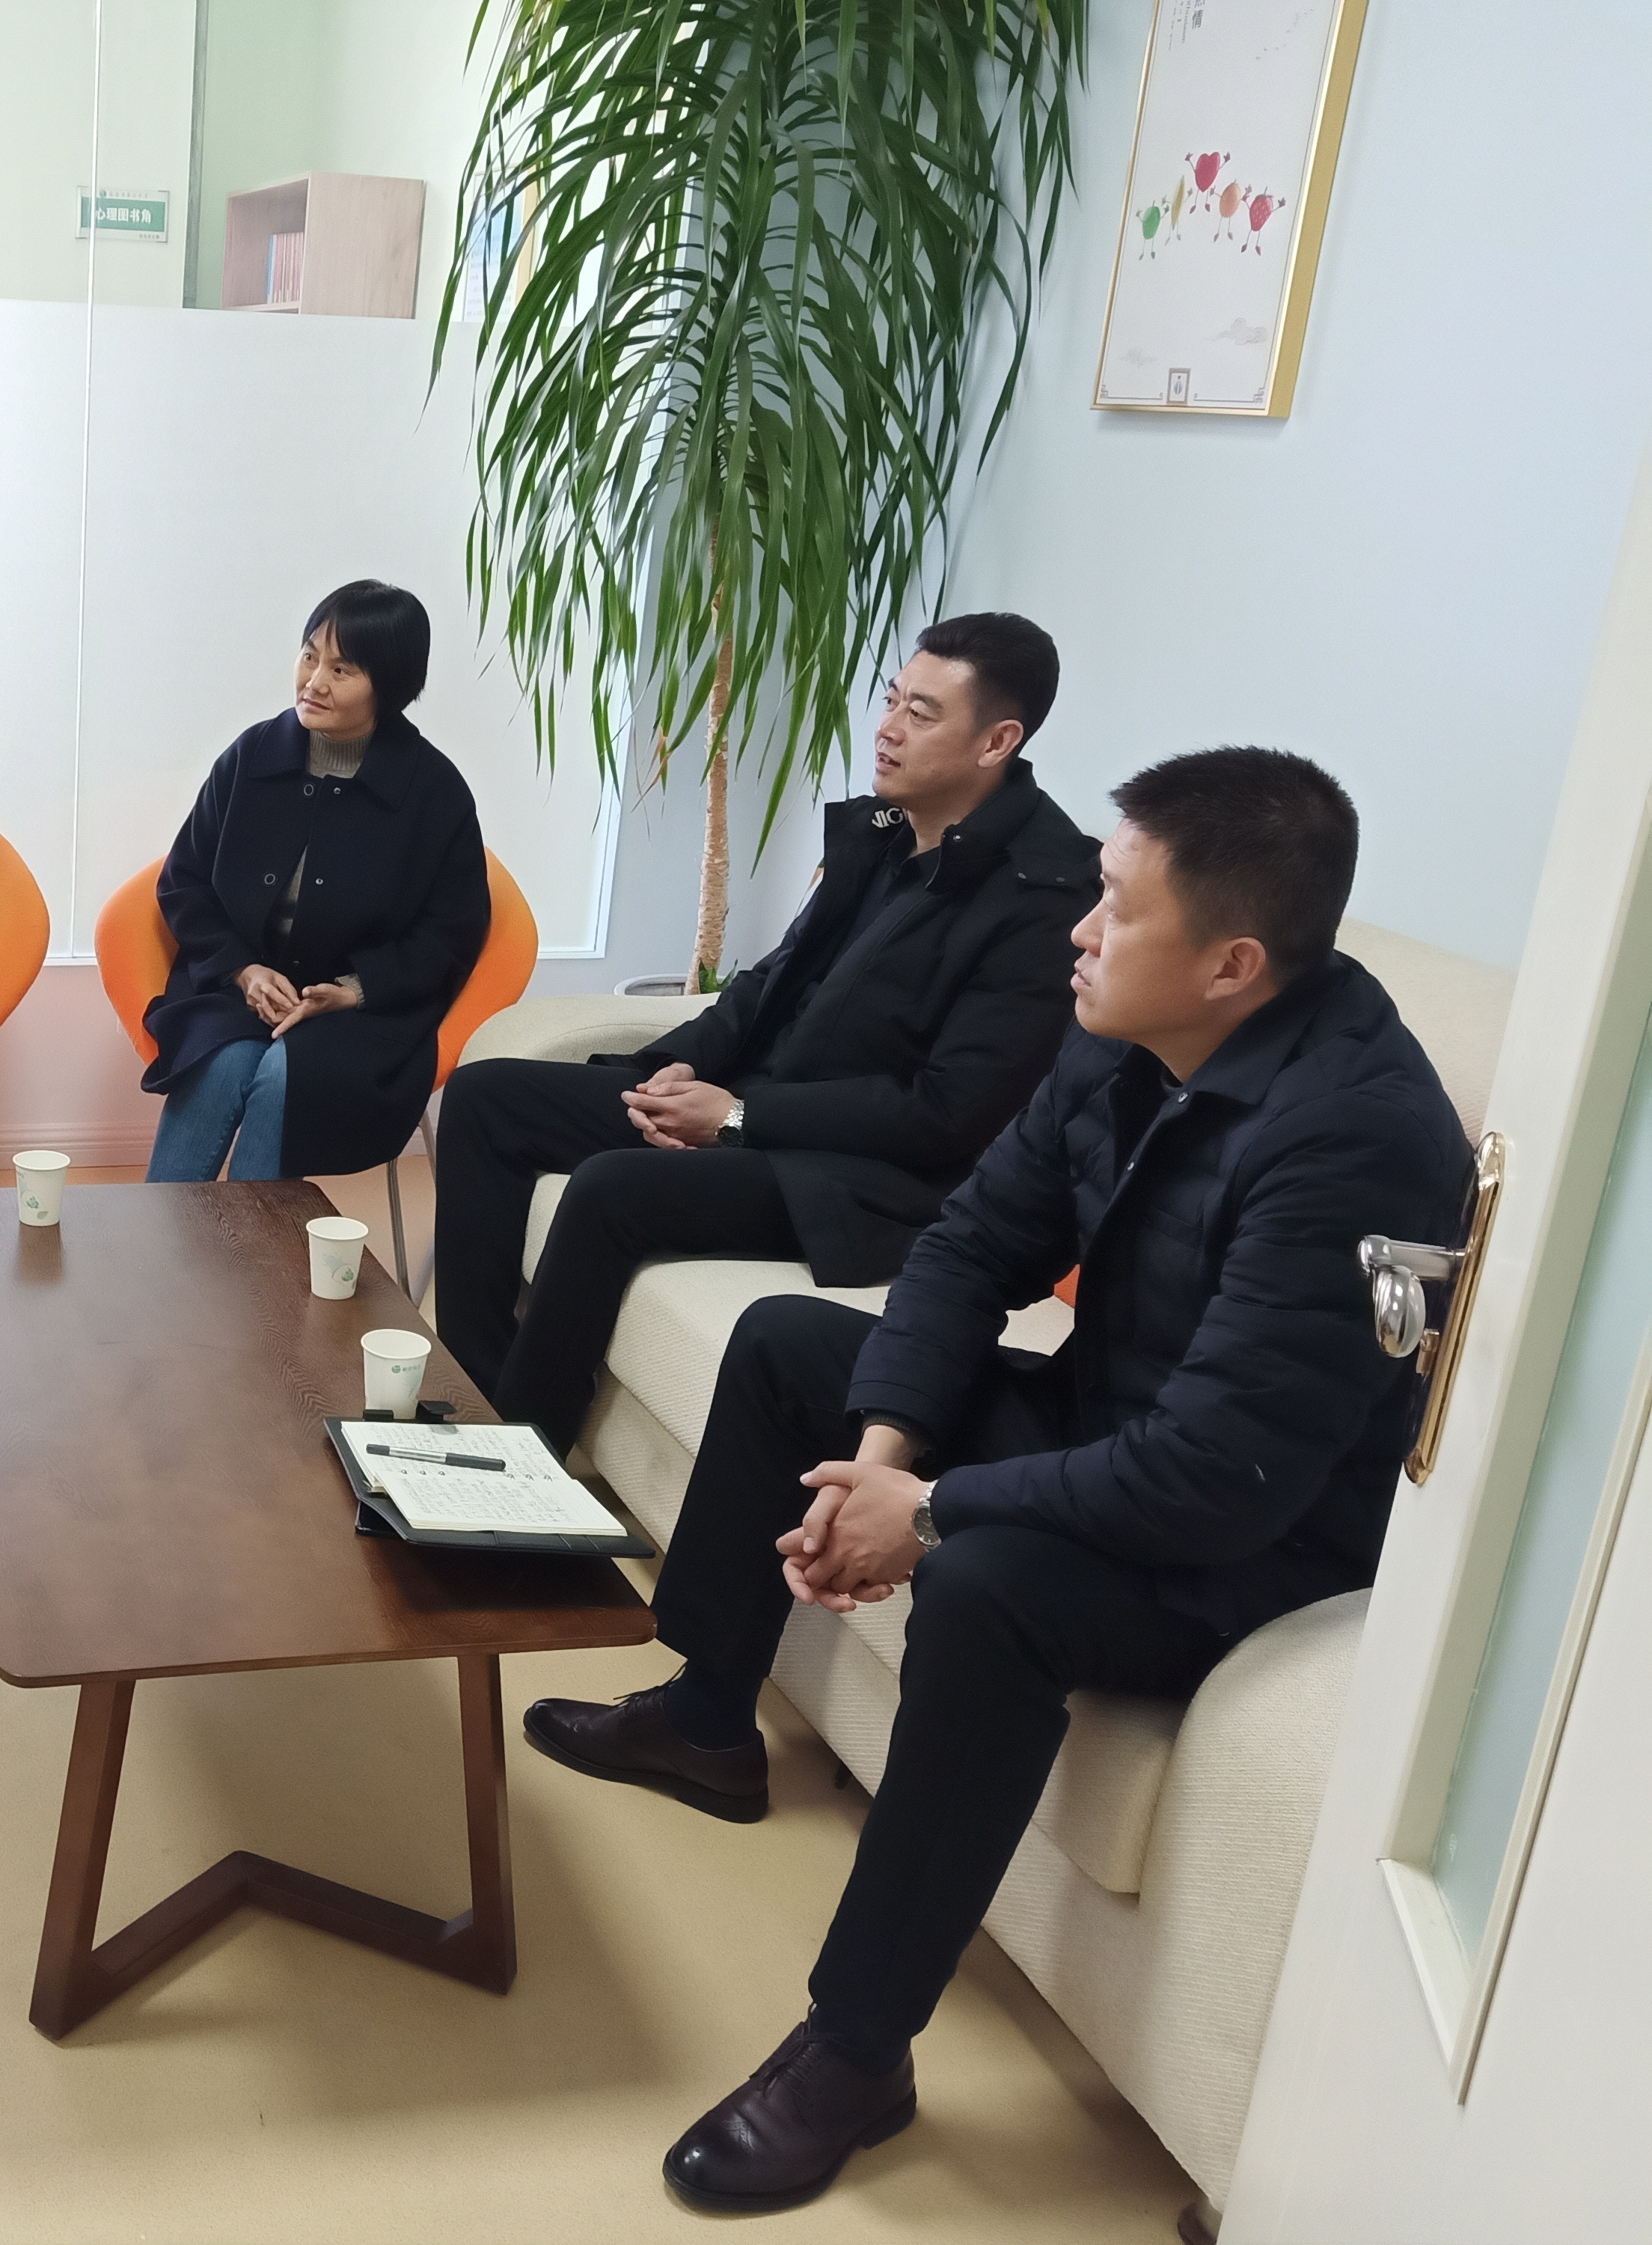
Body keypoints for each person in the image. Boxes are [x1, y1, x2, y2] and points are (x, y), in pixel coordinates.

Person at [521, 748, 1470, 2211]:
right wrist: (882, 1459)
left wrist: (931, 1514)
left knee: (985, 1583)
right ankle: (707, 1719)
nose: (1078, 932)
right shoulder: (1125, 1028)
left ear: (1230, 963)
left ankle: (855, 2051)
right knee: (789, 1348)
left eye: (1115, 908)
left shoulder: (1355, 1137)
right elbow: (972, 1246)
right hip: (1111, 1427)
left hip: (1254, 1537)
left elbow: (1218, 1476)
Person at [432, 612, 1098, 1454]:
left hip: (867, 1178)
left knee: (612, 1188)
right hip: (759, 1110)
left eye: (921, 714)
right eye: (892, 700)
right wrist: (677, 1065)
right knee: (488, 1097)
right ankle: (478, 1400)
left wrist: (739, 1119)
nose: (888, 729)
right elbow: (770, 983)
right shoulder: (883, 833)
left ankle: (521, 1457)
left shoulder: (1046, 897)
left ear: (997, 741)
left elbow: (948, 1114)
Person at [139, 581, 489, 1185]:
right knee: (220, 1063)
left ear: (389, 685)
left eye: (341, 669)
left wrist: (356, 989)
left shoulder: (434, 791)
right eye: (309, 656)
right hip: (239, 989)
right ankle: (158, 1239)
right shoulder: (252, 755)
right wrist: (244, 971)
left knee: (287, 1076)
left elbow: (452, 933)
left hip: (362, 1013)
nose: (314, 681)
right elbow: (185, 881)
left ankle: (254, 1248)